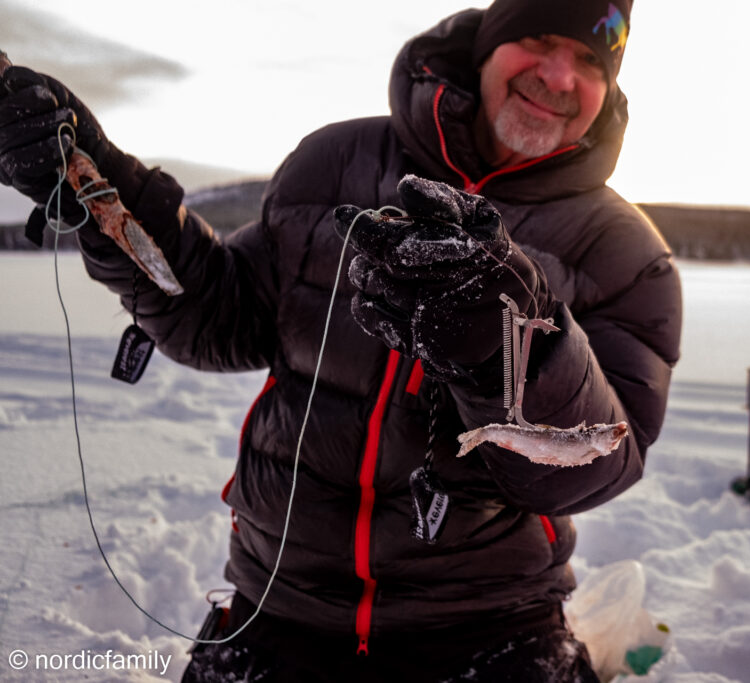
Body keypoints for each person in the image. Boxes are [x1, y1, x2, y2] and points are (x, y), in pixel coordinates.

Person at [0, 0, 681, 679]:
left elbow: (599, 459)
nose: (560, 76)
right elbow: (220, 316)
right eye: (538, 39)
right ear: (489, 45)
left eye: (592, 61)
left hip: (492, 621)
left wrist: (507, 346)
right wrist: (111, 198)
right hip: (281, 603)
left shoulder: (625, 252)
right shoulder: (335, 161)